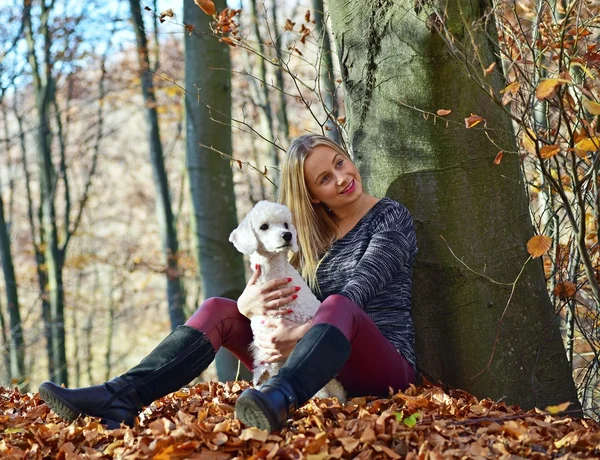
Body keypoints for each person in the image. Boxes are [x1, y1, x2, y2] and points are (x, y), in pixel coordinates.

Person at [38, 134, 418, 433]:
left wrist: (296, 336)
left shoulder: (390, 216)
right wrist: (248, 305)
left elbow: (356, 293)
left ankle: (276, 398)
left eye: (340, 163)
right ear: (314, 197)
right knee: (222, 308)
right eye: (324, 178)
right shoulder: (304, 236)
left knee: (339, 304)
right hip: (317, 361)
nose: (341, 178)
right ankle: (120, 396)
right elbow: (282, 293)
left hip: (382, 368)